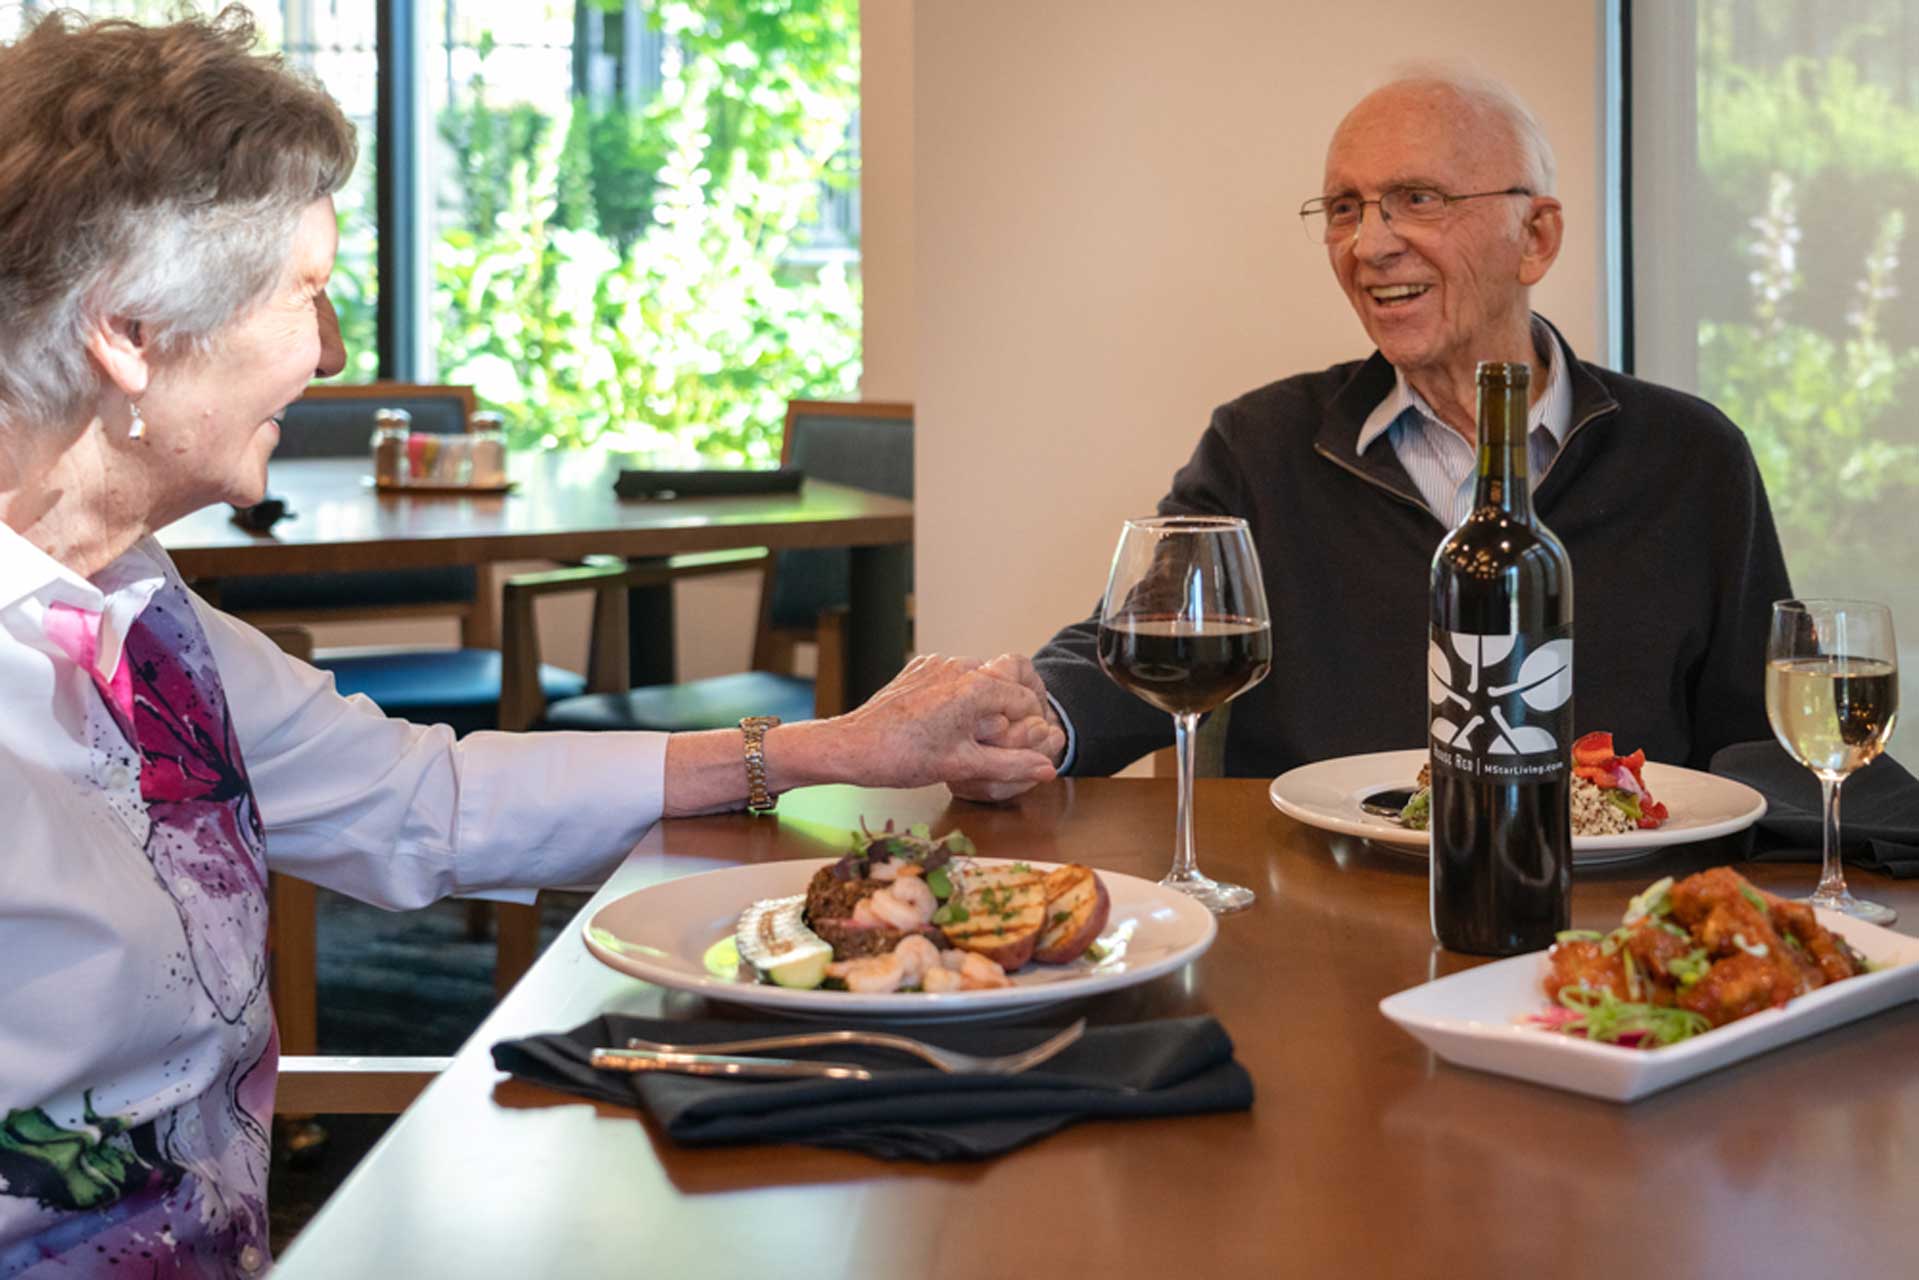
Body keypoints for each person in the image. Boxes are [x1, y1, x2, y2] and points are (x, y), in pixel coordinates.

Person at [0, 10, 1061, 1274]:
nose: (333, 353)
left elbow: (421, 797)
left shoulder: (135, 611)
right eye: (310, 295)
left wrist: (837, 745)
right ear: (127, 332)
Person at [995, 68, 1790, 794]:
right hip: (1316, 908)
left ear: (1535, 239)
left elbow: (1764, 747)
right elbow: (1134, 644)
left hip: (1603, 912)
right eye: (1345, 209)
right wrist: (1030, 716)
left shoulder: (1691, 460)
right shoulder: (1260, 444)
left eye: (1418, 199)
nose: (1368, 245)